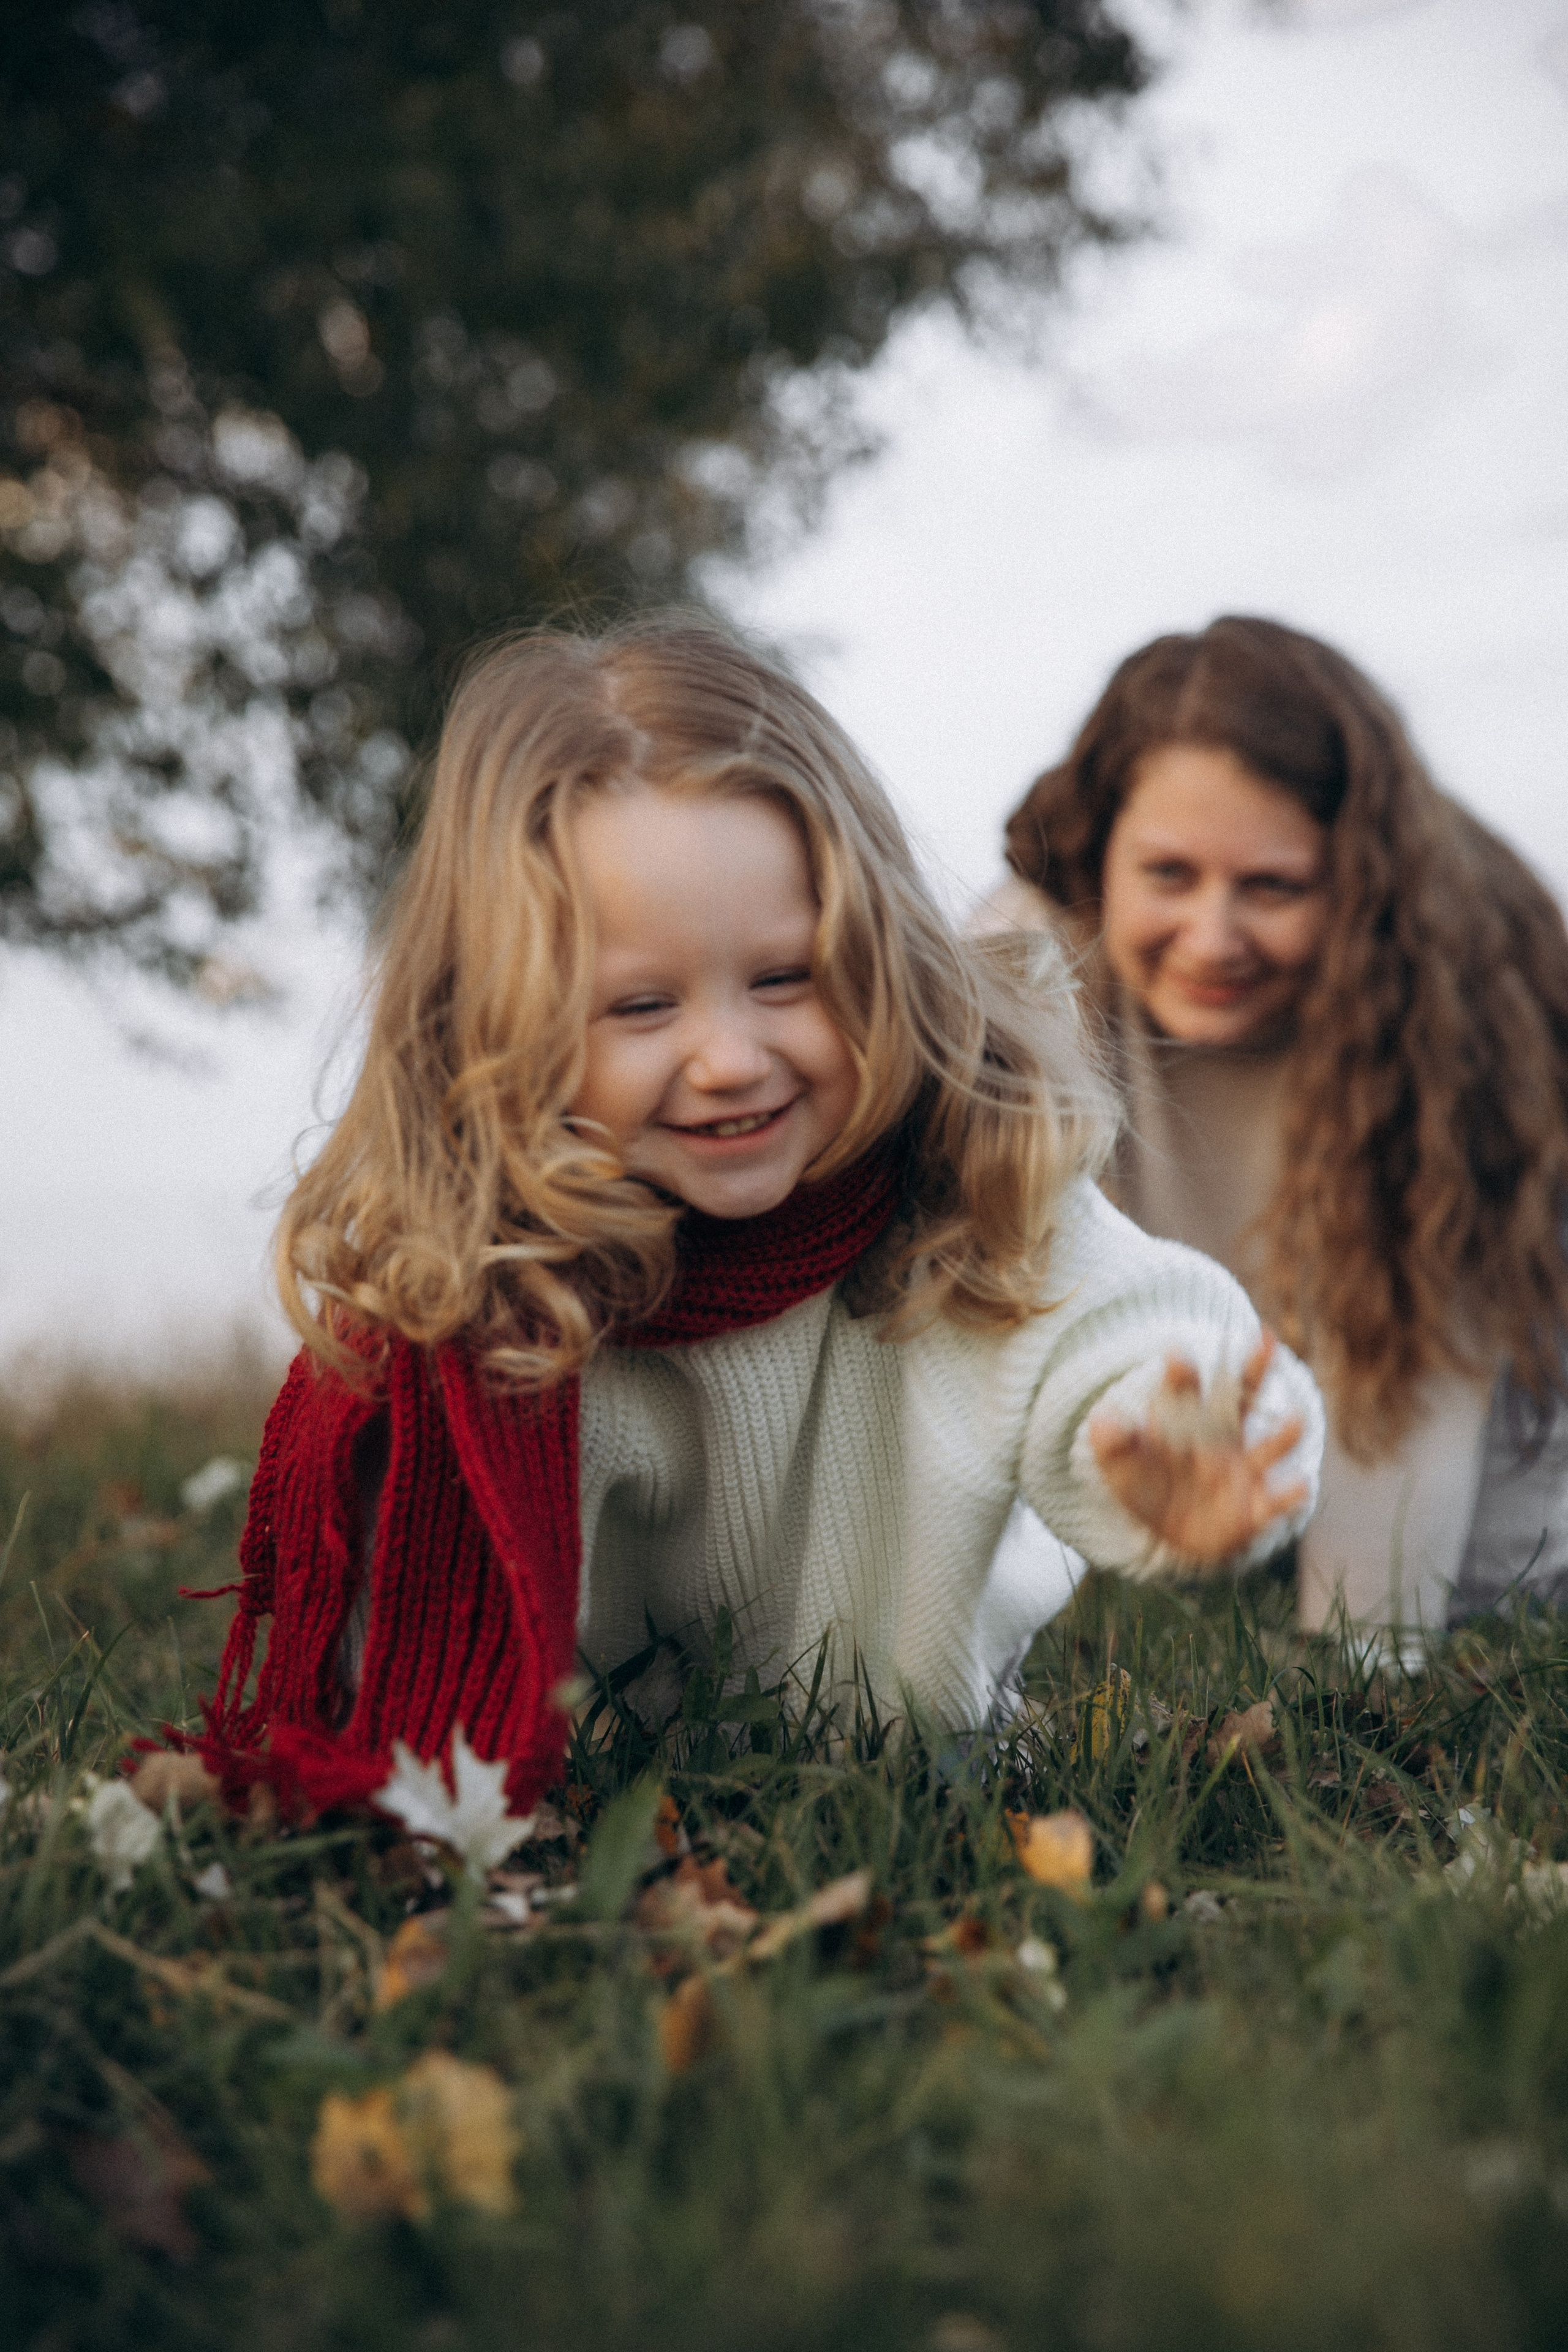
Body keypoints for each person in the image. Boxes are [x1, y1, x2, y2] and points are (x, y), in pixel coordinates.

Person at [199, 620, 1321, 1818]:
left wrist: (1179, 1439)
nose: (729, 1059)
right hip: (598, 1801)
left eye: (785, 978)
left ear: (878, 957)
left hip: (927, 1786)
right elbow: (393, 1590)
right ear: (503, 1024)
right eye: (638, 1005)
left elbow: (1127, 1328)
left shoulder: (964, 1188)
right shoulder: (482, 1295)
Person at [986, 614, 1568, 1640]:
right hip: (1238, 1380)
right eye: (1169, 875)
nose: (1213, 939)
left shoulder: (1453, 999)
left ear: (1358, 880)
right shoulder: (1020, 968)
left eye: (1273, 887)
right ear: (1101, 853)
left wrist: (1362, 1661)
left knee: (1494, 1595)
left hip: (1491, 1399)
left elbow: (1408, 1377)